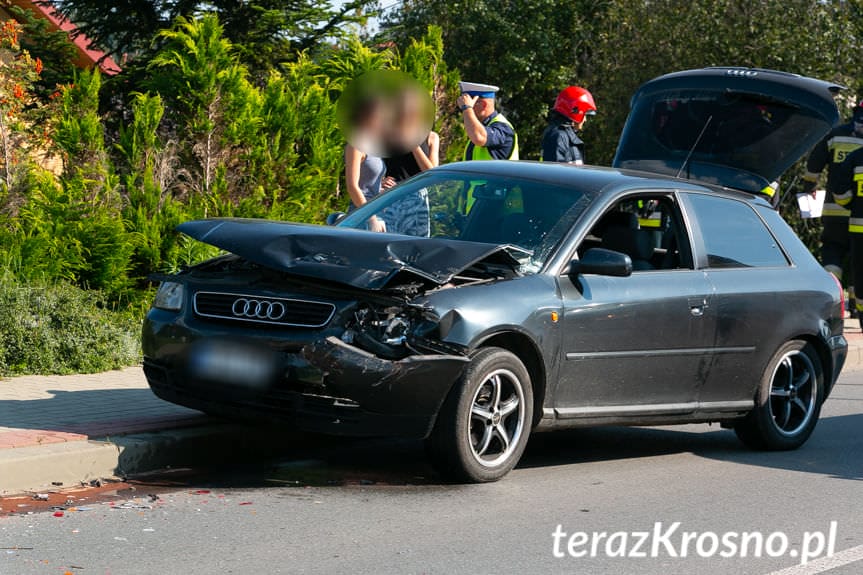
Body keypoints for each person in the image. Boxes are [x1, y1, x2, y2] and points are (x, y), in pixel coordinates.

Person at [802, 100, 863, 307]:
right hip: (860, 213)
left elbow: (814, 164)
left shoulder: (836, 135)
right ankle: (855, 306)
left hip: (834, 209)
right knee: (859, 258)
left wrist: (807, 187)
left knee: (832, 250)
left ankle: (833, 299)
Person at [833, 143, 863, 328]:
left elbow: (841, 195)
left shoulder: (855, 157)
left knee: (860, 274)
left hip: (859, 229)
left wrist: (855, 205)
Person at [457, 81, 519, 161]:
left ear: (483, 105)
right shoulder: (480, 128)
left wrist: (467, 108)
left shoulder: (503, 128)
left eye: (471, 104)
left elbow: (479, 137)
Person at [541, 86, 597, 164]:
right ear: (576, 112)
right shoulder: (558, 137)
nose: (585, 120)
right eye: (585, 115)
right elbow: (554, 174)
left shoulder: (564, 136)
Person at [344, 143, 386, 232]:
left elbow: (368, 184)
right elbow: (352, 187)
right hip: (363, 217)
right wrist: (372, 218)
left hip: (377, 213)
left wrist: (382, 186)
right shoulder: (355, 147)